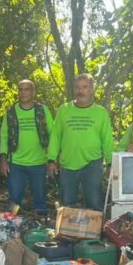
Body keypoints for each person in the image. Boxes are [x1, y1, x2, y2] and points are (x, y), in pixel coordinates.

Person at [47, 73, 113, 210]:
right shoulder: (64, 110)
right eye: (77, 87)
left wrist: (110, 163)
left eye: (84, 87)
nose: (80, 91)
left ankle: (95, 231)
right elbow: (56, 136)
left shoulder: (100, 112)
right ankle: (67, 231)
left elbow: (107, 139)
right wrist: (51, 159)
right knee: (67, 205)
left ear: (91, 90)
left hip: (93, 163)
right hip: (68, 163)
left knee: (95, 204)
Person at [0, 79, 54, 216]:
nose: (23, 93)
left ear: (33, 92)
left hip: (39, 162)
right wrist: (3, 159)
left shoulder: (42, 110)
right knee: (15, 198)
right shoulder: (11, 112)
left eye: (27, 89)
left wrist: (53, 158)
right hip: (16, 163)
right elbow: (4, 136)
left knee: (40, 198)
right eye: (20, 89)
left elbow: (53, 134)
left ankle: (41, 225)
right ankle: (10, 225)